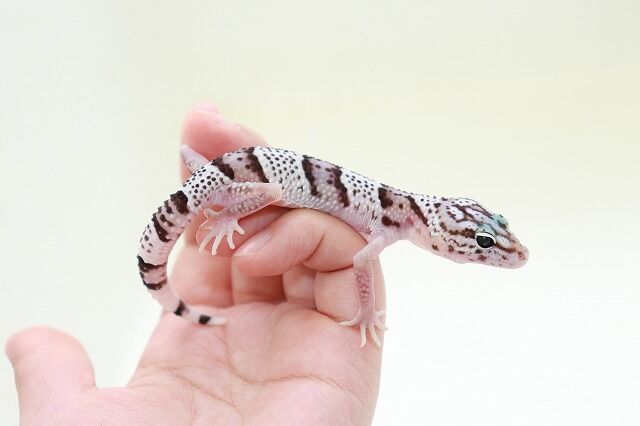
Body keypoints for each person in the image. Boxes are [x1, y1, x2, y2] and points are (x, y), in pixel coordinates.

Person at [5, 104, 384, 425]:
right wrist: (226, 211)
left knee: (250, 184)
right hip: (221, 183)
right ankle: (215, 208)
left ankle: (205, 219)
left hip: (211, 176)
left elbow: (193, 155)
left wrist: (212, 186)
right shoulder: (385, 225)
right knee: (271, 191)